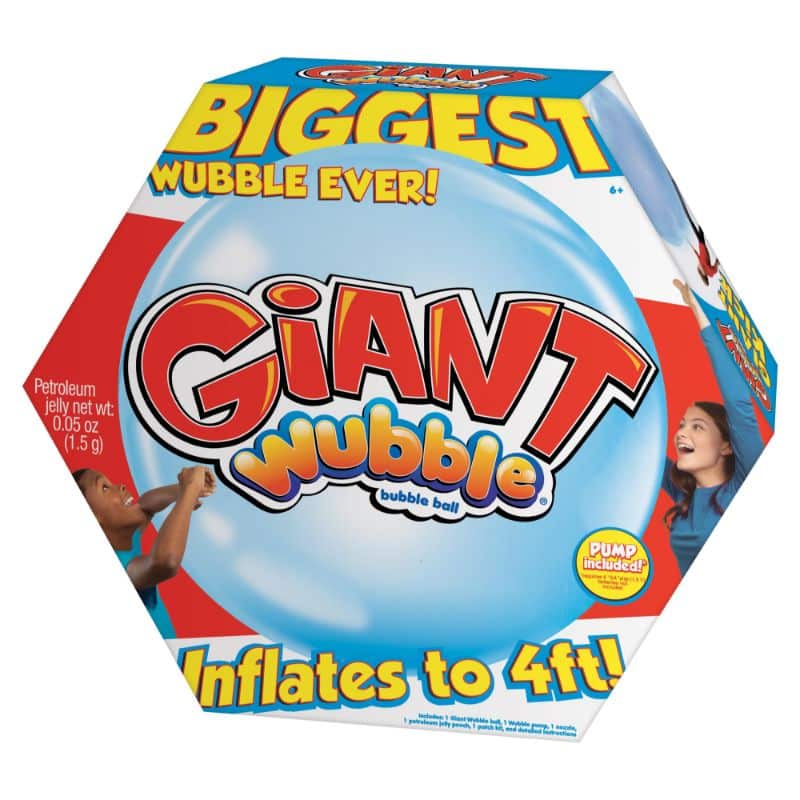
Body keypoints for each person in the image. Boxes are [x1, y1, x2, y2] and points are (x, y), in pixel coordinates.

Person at [662, 279, 763, 575]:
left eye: (697, 427)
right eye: (682, 425)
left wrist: (702, 316)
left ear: (726, 445)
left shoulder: (744, 484)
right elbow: (639, 437)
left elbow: (738, 403)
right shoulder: (683, 497)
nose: (681, 433)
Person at [73, 465, 216, 637]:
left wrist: (182, 489)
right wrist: (190, 489)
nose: (121, 486)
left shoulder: (124, 538)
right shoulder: (125, 569)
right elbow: (166, 562)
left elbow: (145, 506)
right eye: (104, 488)